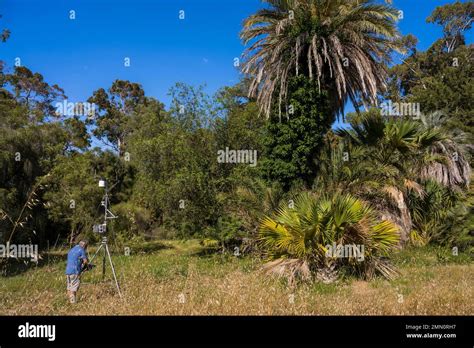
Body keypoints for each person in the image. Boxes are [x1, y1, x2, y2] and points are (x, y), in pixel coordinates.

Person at [65, 240, 89, 304]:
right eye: (86, 247)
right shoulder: (81, 250)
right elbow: (85, 261)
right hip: (75, 271)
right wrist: (86, 266)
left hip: (68, 271)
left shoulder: (71, 250)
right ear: (84, 246)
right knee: (74, 287)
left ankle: (70, 302)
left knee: (69, 287)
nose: (86, 249)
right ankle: (73, 303)